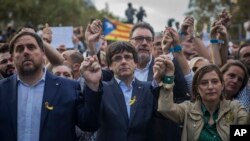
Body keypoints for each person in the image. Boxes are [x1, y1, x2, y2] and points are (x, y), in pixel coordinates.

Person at [0, 30, 103, 141]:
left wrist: (93, 85)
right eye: (19, 49)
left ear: (43, 53)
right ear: (12, 57)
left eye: (31, 47)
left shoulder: (68, 88)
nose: (26, 52)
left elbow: (90, 124)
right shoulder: (2, 89)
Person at [157, 63, 249, 141]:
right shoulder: (188, 109)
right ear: (197, 88)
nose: (210, 87)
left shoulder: (235, 108)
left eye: (215, 81)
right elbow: (165, 108)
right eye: (204, 83)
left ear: (222, 85)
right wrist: (168, 77)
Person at [96, 41, 165, 141]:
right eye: (117, 58)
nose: (123, 61)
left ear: (135, 63)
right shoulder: (101, 89)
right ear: (110, 66)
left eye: (127, 57)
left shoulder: (150, 88)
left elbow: (165, 114)